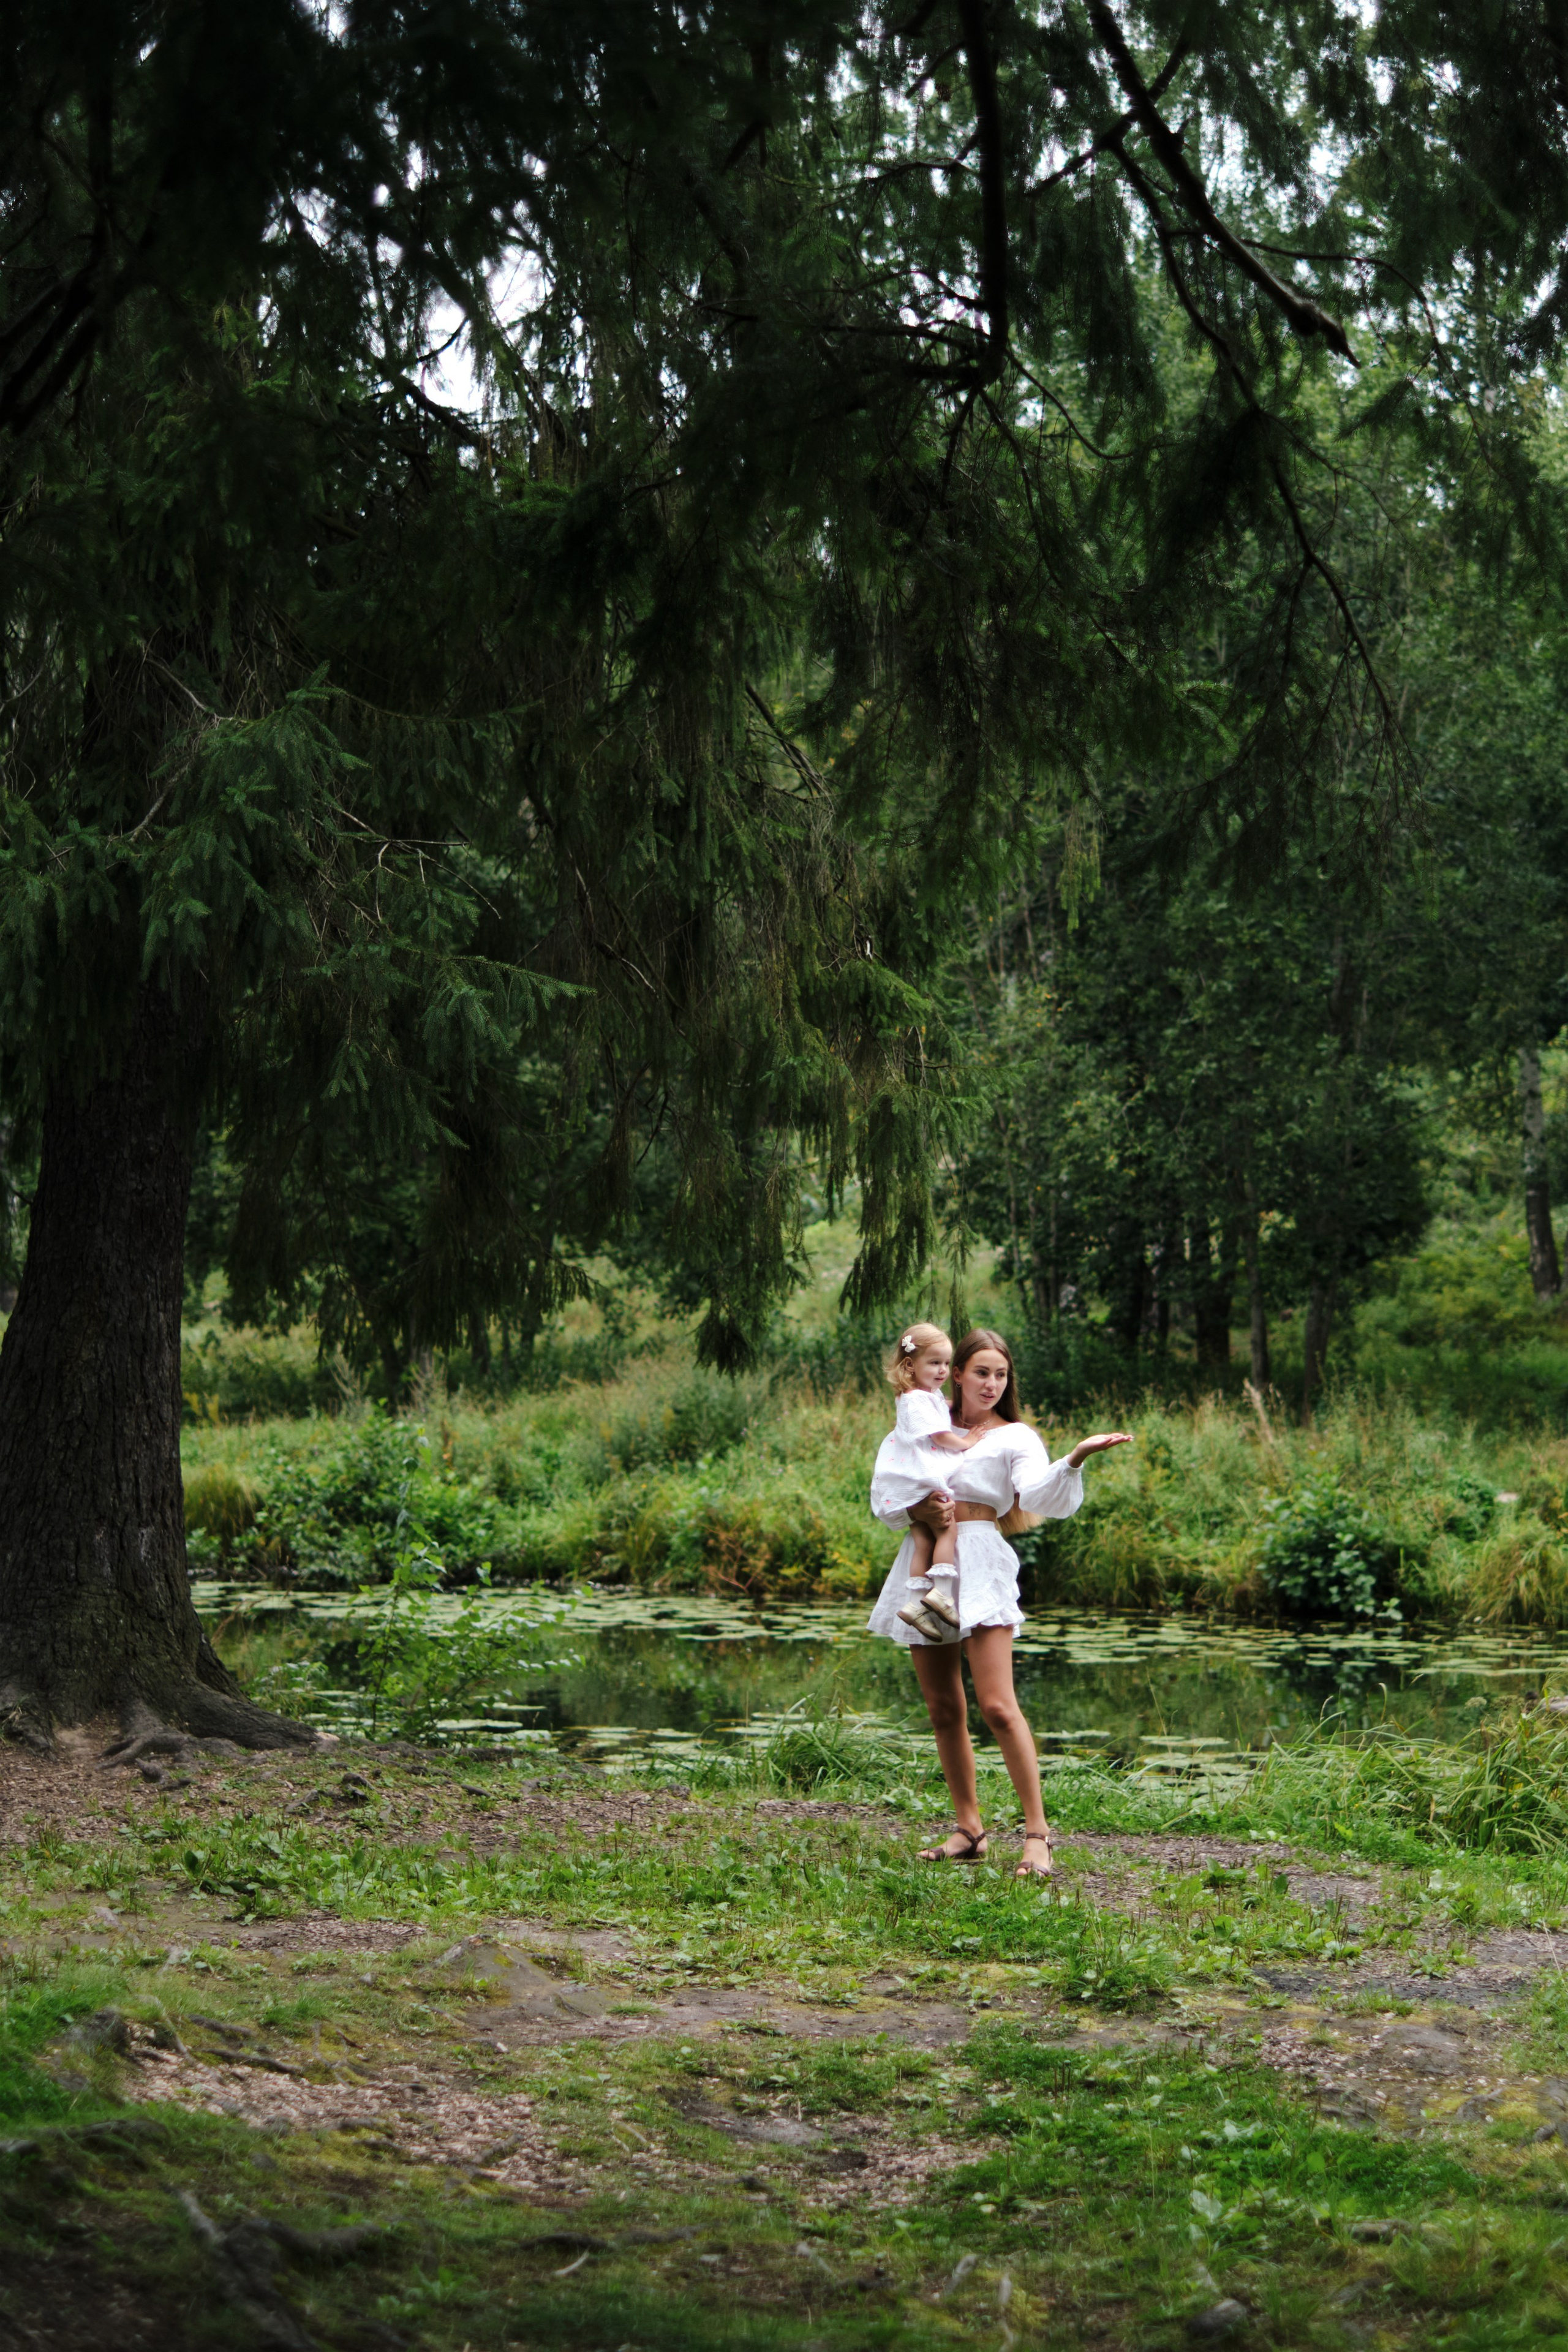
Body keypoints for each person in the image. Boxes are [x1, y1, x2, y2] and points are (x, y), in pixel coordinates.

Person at [867, 1327, 1131, 1877]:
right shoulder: (925, 1424)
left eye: (1001, 1375)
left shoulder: (1015, 1437)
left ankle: (1038, 1836)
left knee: (996, 1705)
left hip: (981, 1565)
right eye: (981, 1372)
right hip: (926, 1563)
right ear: (955, 1373)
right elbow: (890, 1488)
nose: (991, 1384)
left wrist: (1076, 1458)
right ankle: (970, 1830)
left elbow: (1035, 1492)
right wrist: (919, 1513)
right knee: (943, 1709)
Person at [879, 1322, 987, 1641]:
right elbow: (940, 1434)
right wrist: (967, 1442)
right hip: (922, 1478)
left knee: (923, 1541)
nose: (942, 1371)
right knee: (948, 1530)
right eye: (934, 1363)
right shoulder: (916, 1399)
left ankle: (914, 1604)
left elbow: (942, 1411)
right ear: (911, 1365)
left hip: (910, 1480)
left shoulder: (924, 1396)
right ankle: (941, 1593)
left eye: (945, 1363)